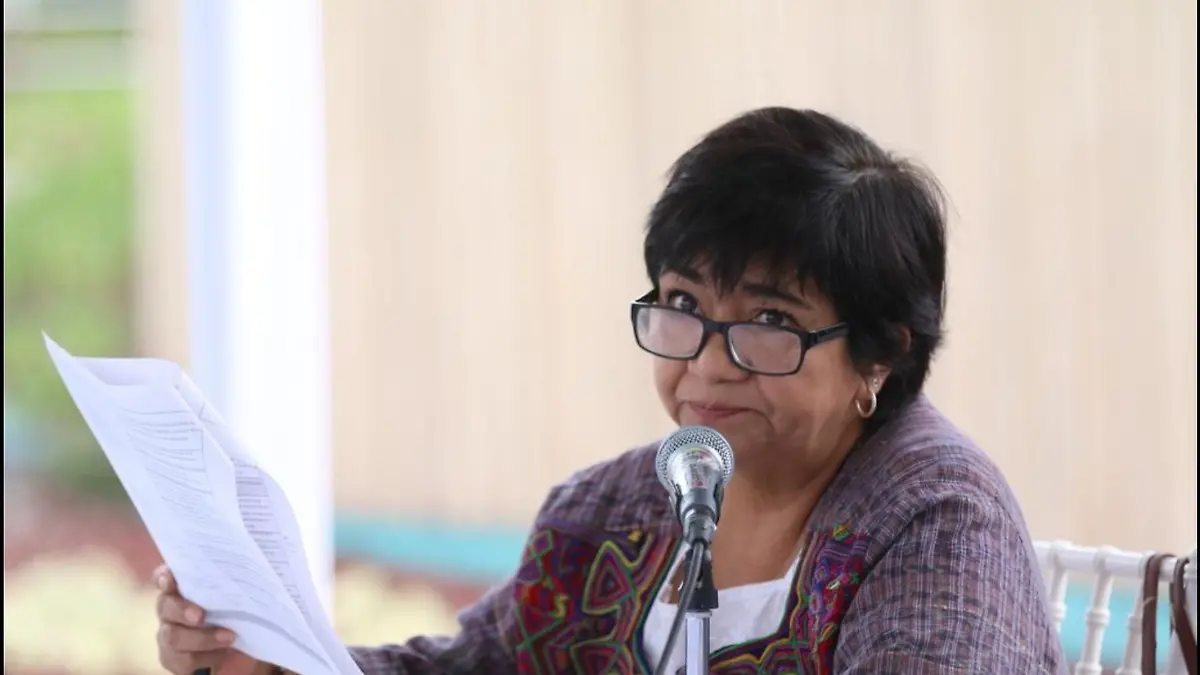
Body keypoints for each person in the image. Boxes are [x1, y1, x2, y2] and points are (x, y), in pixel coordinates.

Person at [154, 107, 1067, 675]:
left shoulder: (939, 522)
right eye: (683, 305)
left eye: (769, 320)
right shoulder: (607, 513)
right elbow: (475, 668)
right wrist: (269, 662)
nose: (709, 362)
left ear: (879, 354)